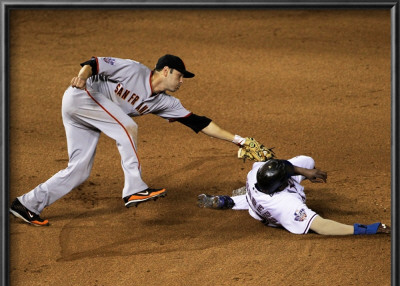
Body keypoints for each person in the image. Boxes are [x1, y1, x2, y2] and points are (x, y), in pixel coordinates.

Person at [10, 54, 257, 226]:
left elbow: (199, 122)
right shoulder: (134, 69)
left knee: (79, 171)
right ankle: (135, 190)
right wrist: (81, 76)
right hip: (81, 97)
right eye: (180, 76)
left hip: (93, 115)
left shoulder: (166, 102)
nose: (182, 82)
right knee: (128, 126)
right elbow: (93, 63)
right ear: (166, 71)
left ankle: (26, 204)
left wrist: (239, 140)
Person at [197, 155, 391, 235]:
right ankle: (234, 199)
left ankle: (228, 200)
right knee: (306, 162)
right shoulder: (288, 205)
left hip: (257, 197)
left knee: (306, 162)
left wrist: (305, 172)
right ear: (282, 184)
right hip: (273, 215)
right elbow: (322, 226)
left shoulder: (255, 173)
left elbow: (279, 164)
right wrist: (364, 229)